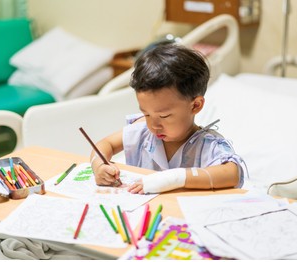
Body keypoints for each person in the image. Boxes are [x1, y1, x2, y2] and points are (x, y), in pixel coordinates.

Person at [90, 43, 244, 194]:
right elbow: (105, 144)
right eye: (146, 114)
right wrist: (99, 165)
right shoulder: (142, 131)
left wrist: (174, 178)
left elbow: (232, 173)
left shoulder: (207, 145)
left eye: (164, 116)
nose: (153, 125)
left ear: (195, 105)